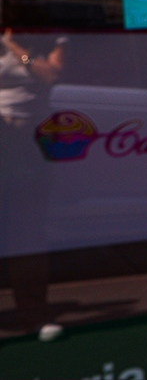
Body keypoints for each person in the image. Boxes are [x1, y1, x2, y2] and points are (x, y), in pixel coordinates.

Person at [0, 28, 66, 340]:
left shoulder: (46, 36)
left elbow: (50, 74)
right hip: (3, 133)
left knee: (27, 229)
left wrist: (14, 46)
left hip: (29, 140)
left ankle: (35, 315)